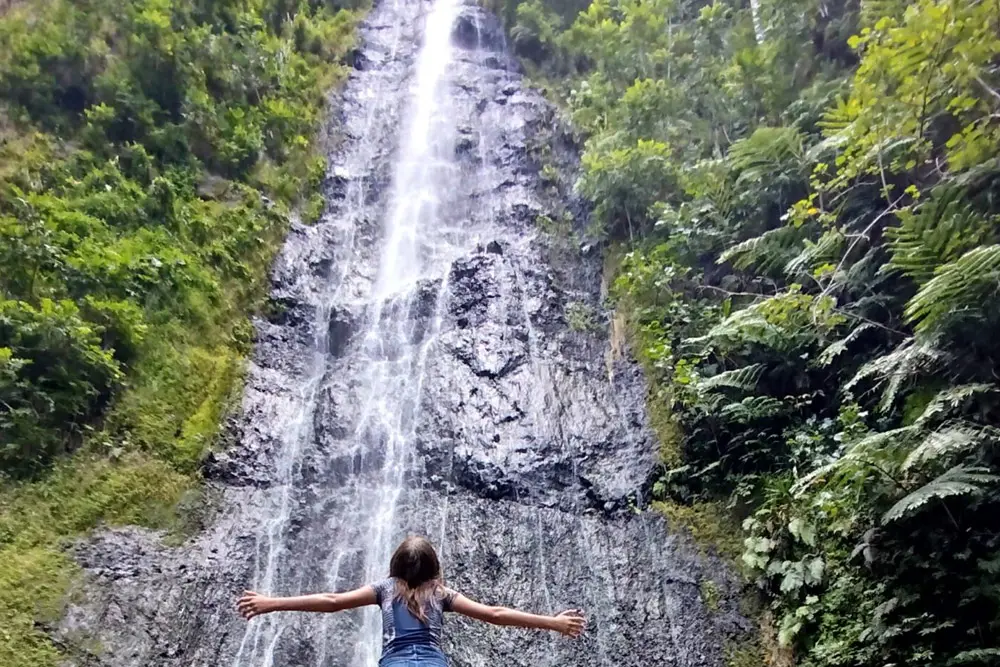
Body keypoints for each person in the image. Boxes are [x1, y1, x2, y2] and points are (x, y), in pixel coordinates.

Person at [236, 535, 587, 666]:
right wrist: (552, 622)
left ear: (395, 567)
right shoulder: (441, 593)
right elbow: (495, 614)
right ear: (435, 569)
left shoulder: (384, 589)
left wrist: (272, 602)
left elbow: (332, 600)